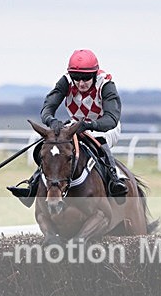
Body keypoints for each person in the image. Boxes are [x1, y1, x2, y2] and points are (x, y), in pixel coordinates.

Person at [8, 49, 128, 204]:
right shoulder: (65, 81)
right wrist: (52, 121)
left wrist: (89, 125)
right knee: (53, 146)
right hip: (76, 124)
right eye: (76, 78)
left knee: (98, 141)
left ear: (94, 74)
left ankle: (114, 180)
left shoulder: (106, 84)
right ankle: (33, 184)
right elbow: (47, 108)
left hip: (104, 127)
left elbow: (111, 119)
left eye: (86, 78)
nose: (81, 83)